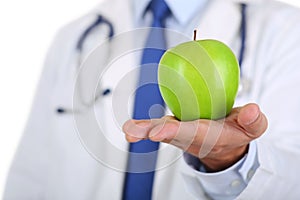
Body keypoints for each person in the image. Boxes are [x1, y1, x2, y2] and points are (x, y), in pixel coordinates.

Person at [4, 0, 300, 199]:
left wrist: (228, 160)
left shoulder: (287, 31)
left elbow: (292, 181)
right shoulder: (73, 38)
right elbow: (30, 176)